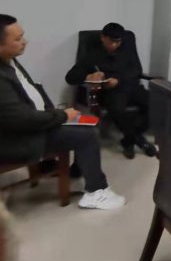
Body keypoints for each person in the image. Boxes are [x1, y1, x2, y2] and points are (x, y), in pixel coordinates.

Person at [0, 14, 125, 210]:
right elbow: (19, 119)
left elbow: (30, 92)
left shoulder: (7, 60)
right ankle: (96, 191)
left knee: (89, 121)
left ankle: (76, 169)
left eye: (22, 35)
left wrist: (57, 114)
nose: (25, 42)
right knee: (87, 134)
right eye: (17, 39)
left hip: (33, 123)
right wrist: (62, 116)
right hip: (15, 140)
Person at [65, 22, 156, 160]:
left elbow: (137, 70)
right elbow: (70, 77)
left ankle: (130, 139)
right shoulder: (93, 55)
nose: (114, 45)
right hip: (111, 92)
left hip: (131, 87)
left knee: (156, 104)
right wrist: (88, 77)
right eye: (111, 41)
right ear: (103, 37)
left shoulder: (127, 50)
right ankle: (139, 140)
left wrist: (118, 79)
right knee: (117, 109)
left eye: (118, 42)